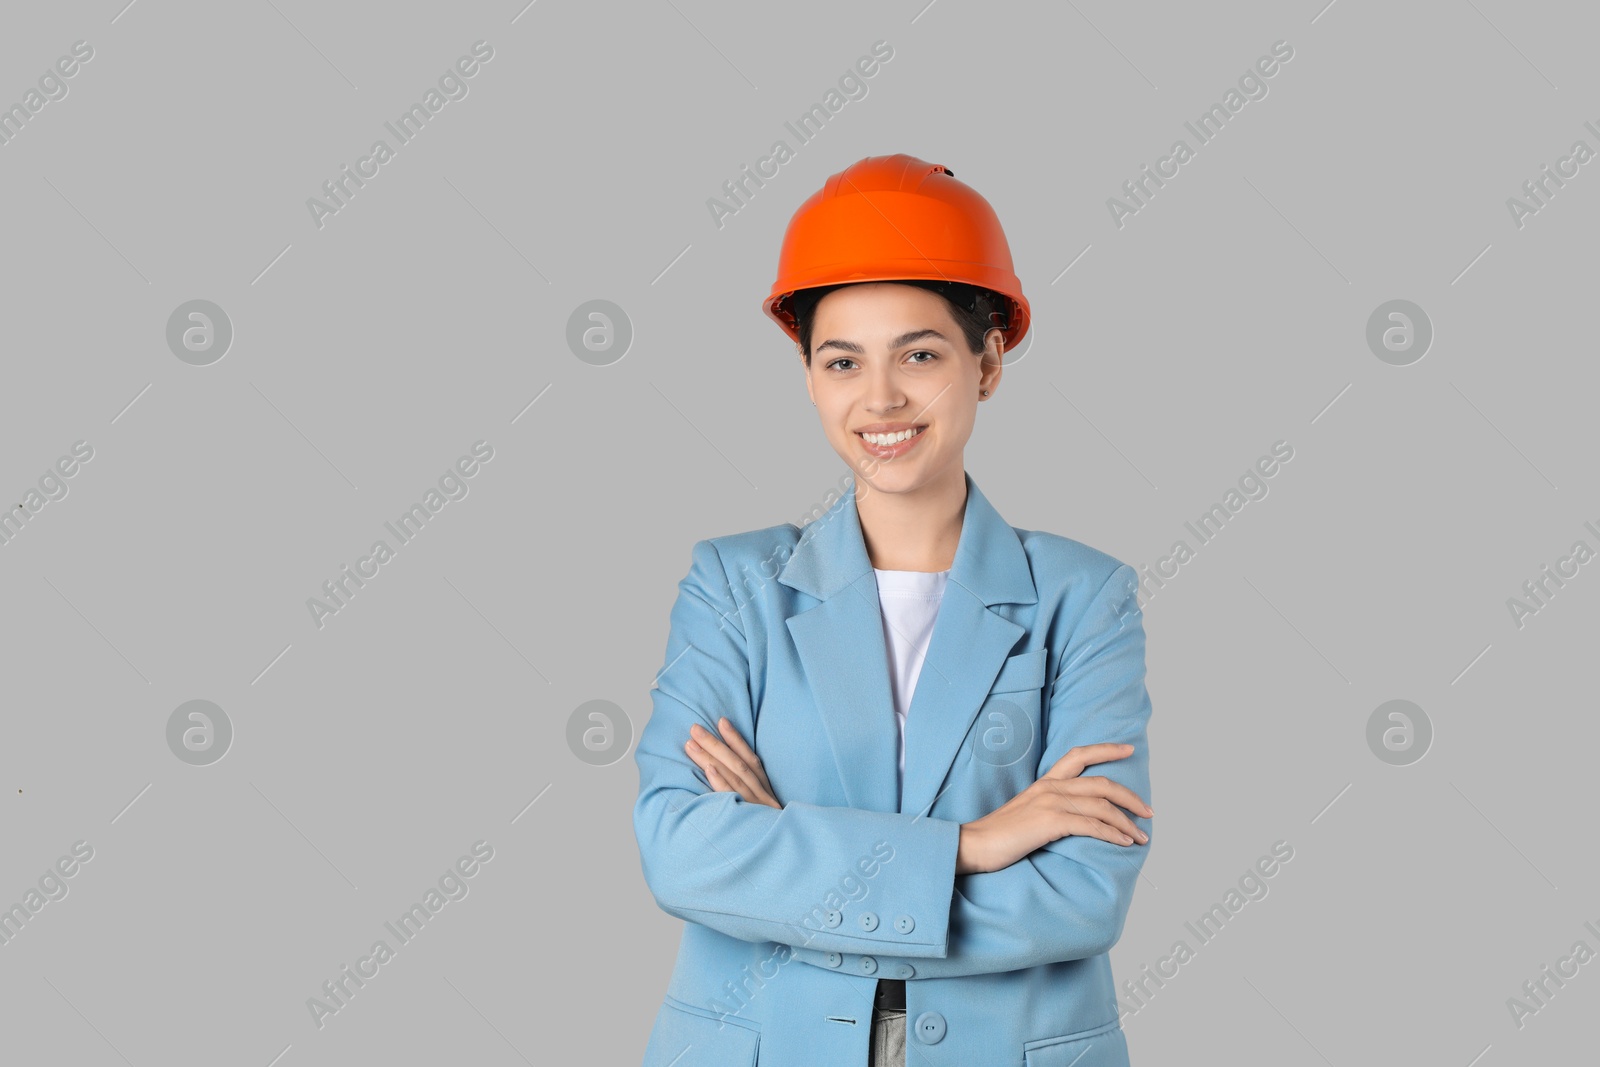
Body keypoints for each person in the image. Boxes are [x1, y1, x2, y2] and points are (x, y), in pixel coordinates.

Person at [633, 153, 1154, 1067]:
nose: (880, 398)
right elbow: (682, 851)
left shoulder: (1085, 597)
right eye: (843, 361)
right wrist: (977, 845)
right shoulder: (732, 586)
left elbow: (1082, 893)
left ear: (988, 362)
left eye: (920, 354)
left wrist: (785, 867)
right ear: (808, 375)